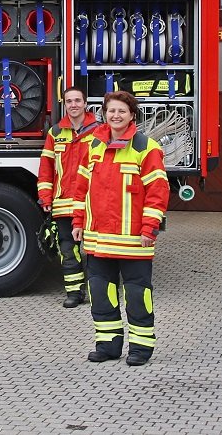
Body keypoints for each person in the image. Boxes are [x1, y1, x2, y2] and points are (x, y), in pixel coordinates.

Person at [72, 91, 168, 366]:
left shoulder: (145, 148)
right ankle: (108, 345)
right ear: (104, 113)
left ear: (132, 115)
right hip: (98, 239)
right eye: (111, 111)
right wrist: (78, 222)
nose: (116, 116)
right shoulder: (93, 147)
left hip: (132, 240)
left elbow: (157, 192)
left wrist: (150, 229)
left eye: (122, 111)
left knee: (138, 295)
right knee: (101, 293)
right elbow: (81, 189)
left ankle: (140, 347)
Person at [37, 86, 100, 308]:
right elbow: (46, 168)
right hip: (63, 203)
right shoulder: (55, 133)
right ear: (65, 104)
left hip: (92, 203)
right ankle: (74, 292)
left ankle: (97, 293)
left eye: (77, 100)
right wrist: (45, 197)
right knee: (67, 250)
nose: (73, 104)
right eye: (69, 101)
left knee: (94, 251)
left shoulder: (99, 132)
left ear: (85, 103)